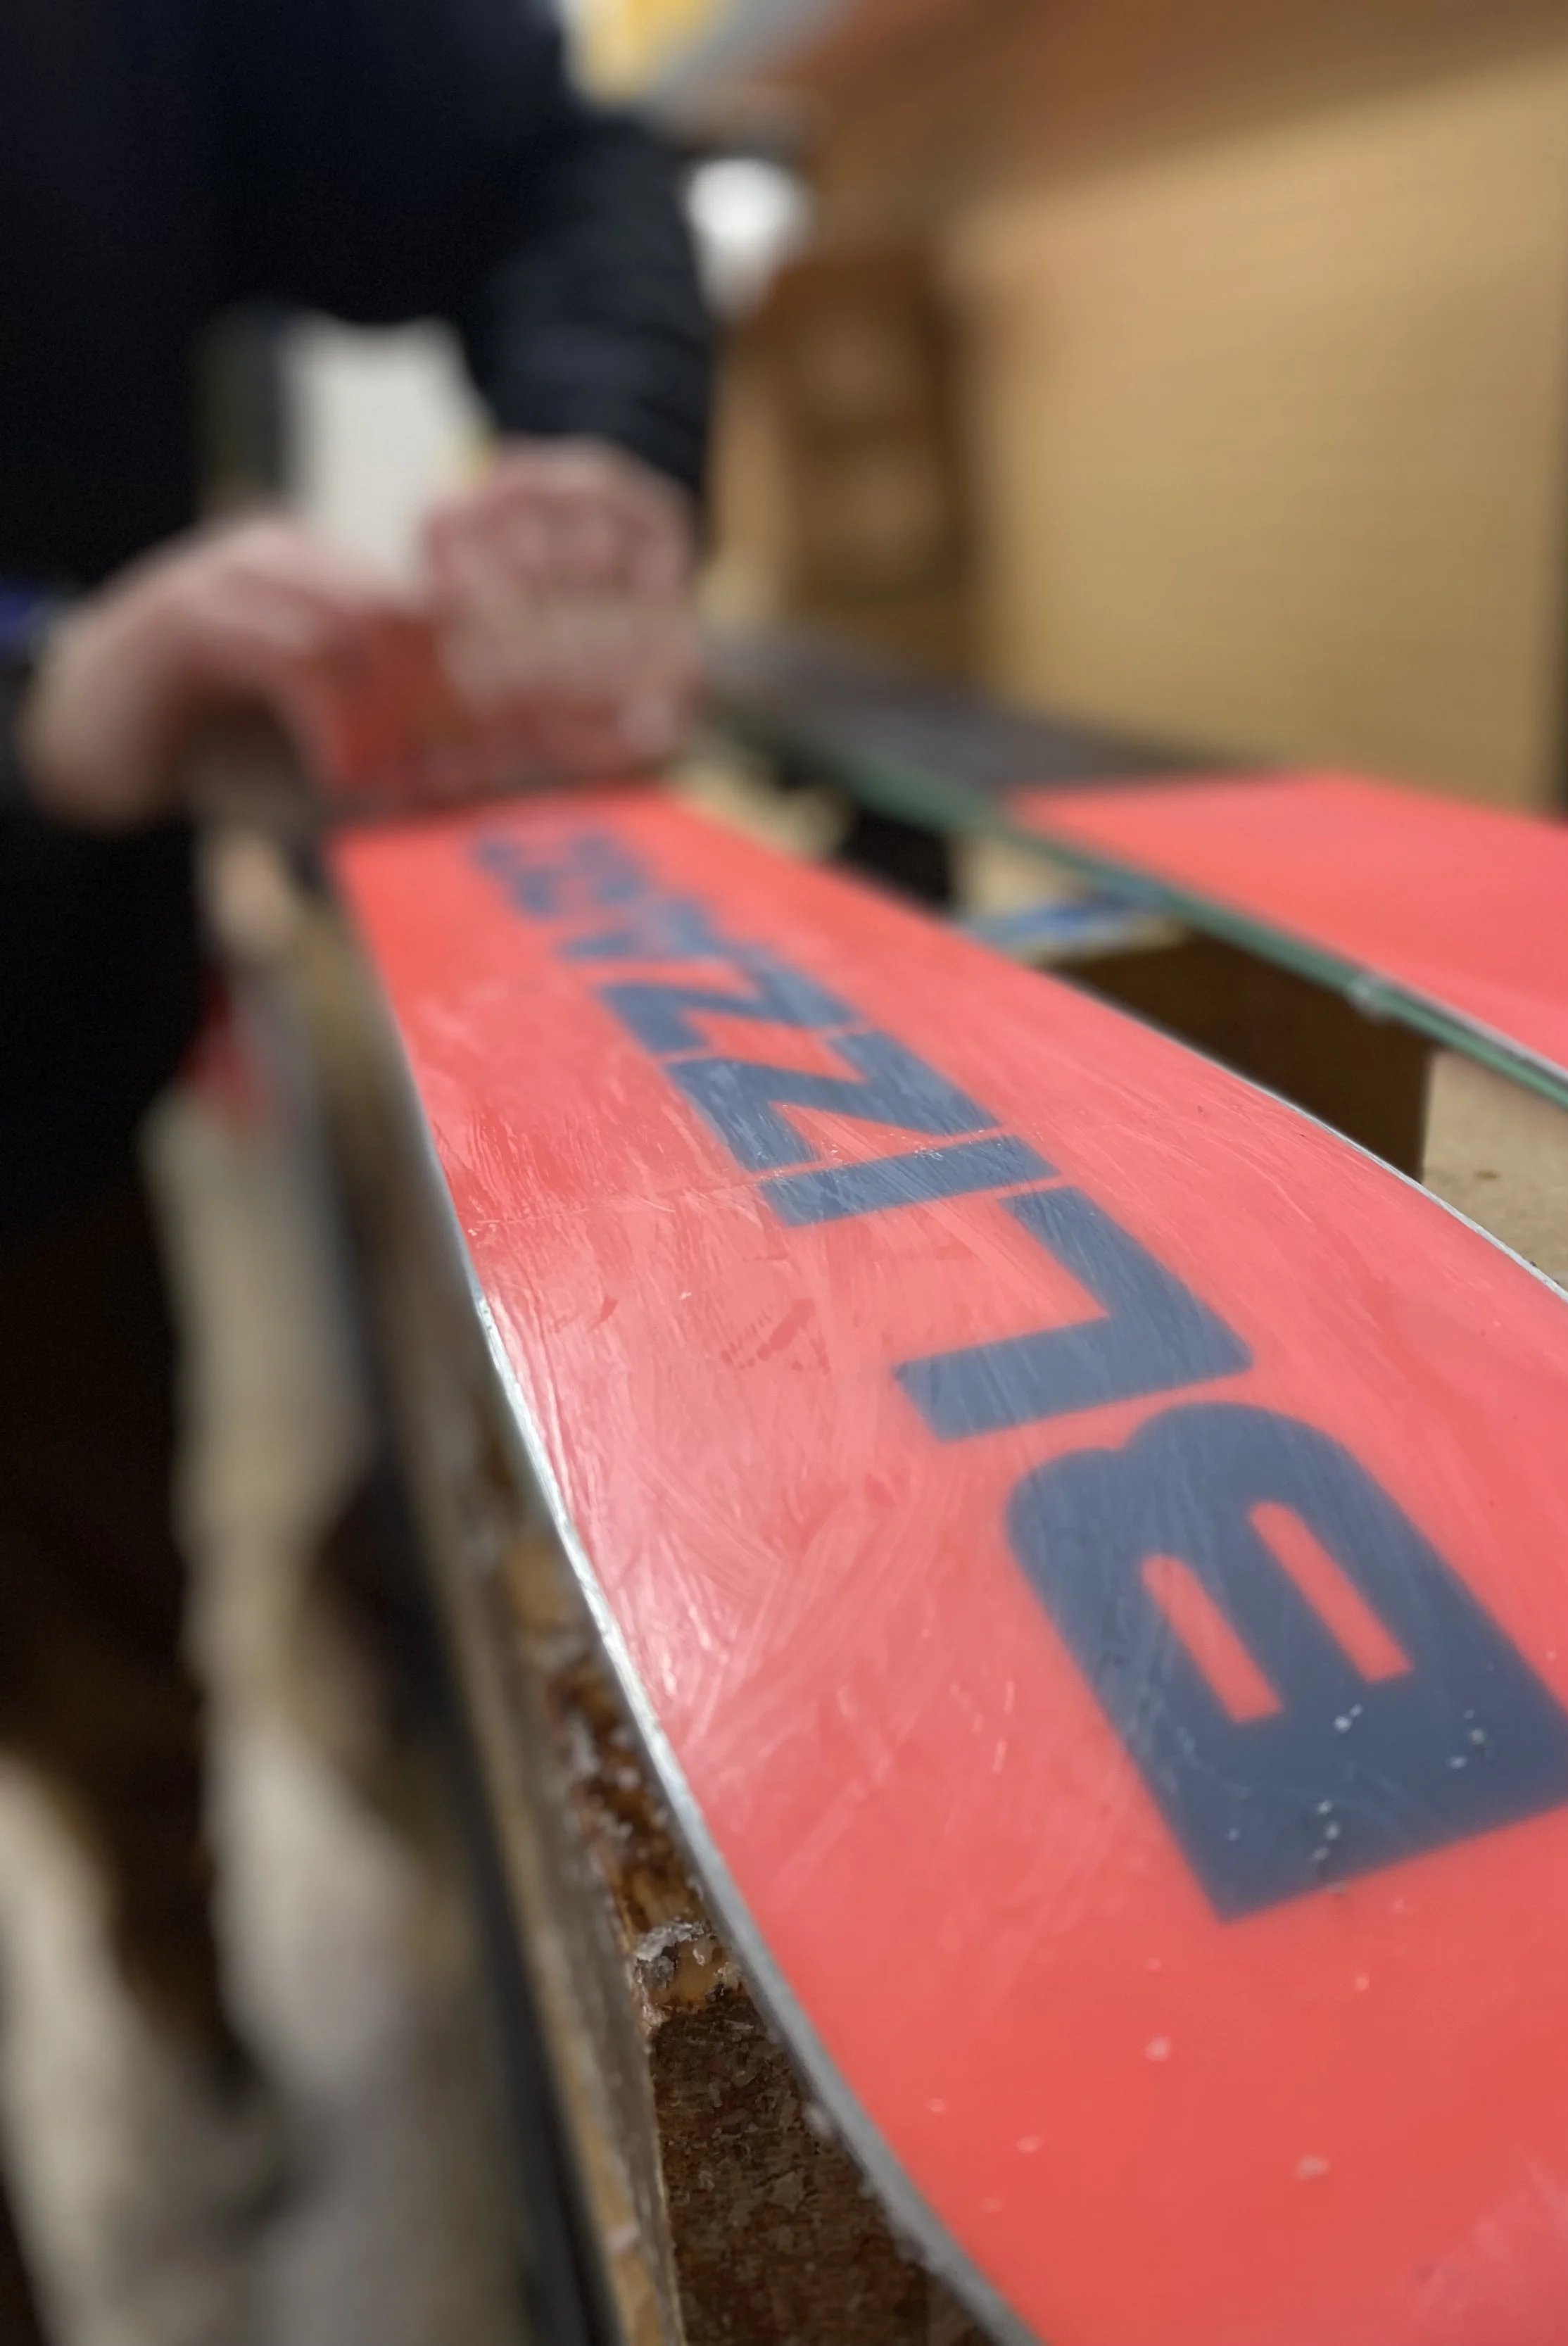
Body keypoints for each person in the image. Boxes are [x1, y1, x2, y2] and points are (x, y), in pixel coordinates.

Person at [0, 1, 712, 2332]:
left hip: (39, 1104)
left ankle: (190, 2013)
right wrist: (38, 709)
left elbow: (549, 166)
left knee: (121, 1653)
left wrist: (596, 444)